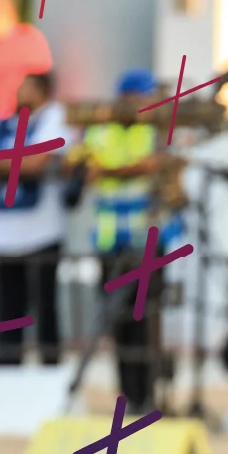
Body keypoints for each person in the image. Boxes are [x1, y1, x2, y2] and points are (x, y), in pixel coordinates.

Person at [0, 71, 74, 365]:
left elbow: (37, 163)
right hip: (0, 237)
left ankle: (50, 374)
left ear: (42, 90)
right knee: (7, 313)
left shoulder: (55, 117)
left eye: (25, 86)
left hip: (41, 234)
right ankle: (11, 373)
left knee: (45, 309)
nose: (19, 92)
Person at [75, 69, 167, 415]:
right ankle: (130, 397)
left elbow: (154, 164)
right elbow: (82, 164)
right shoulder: (102, 130)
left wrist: (112, 170)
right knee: (119, 323)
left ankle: (148, 396)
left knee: (145, 320)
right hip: (111, 242)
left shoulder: (154, 130)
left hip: (147, 241)